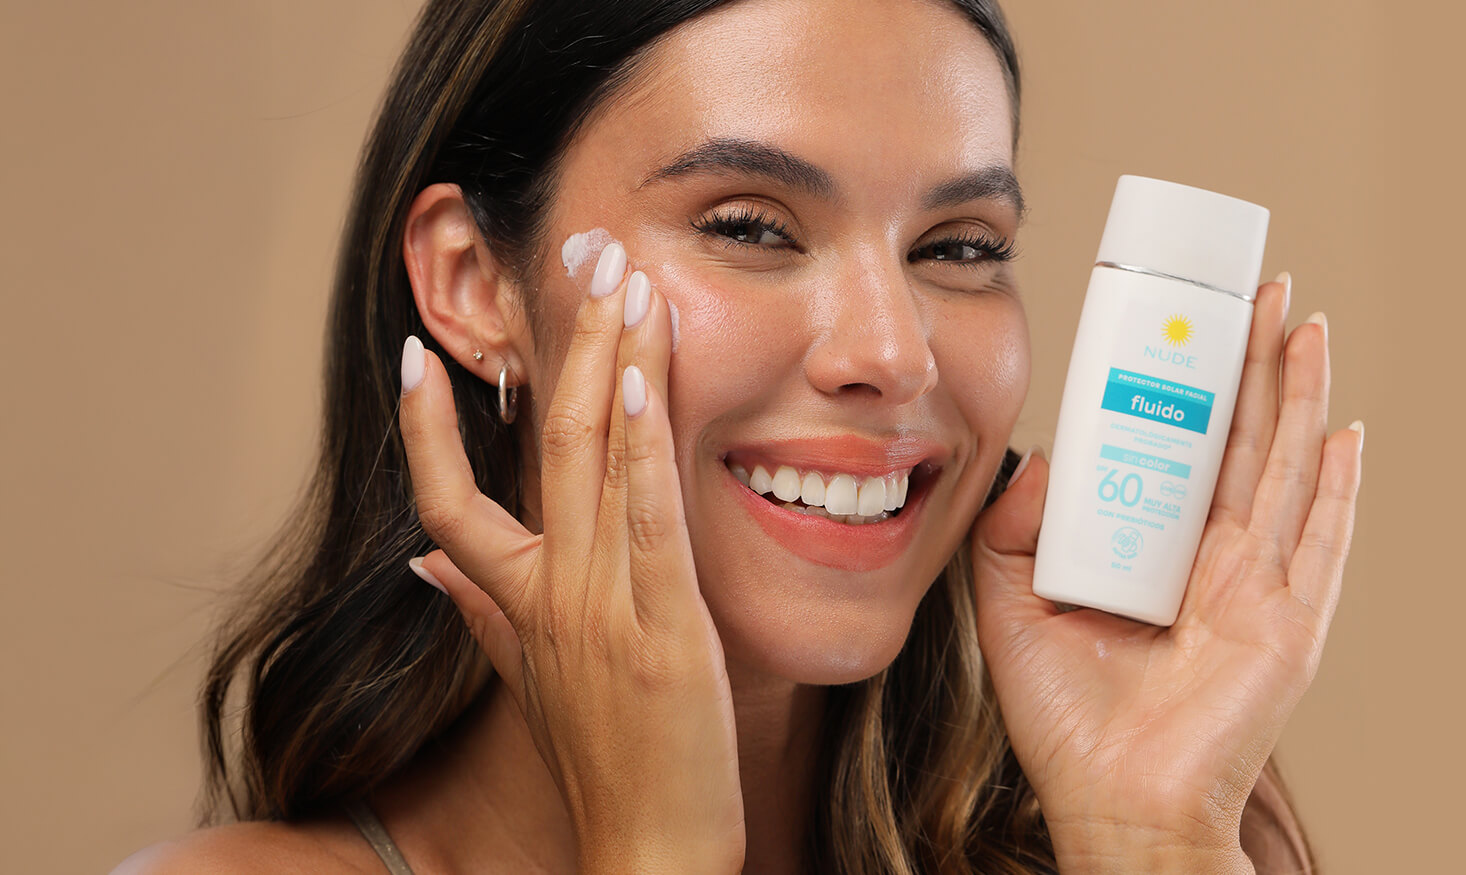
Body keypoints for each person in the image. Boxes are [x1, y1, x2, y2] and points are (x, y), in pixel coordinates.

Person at [115, 0, 1362, 872]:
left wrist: (1147, 840)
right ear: (473, 284)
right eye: (751, 227)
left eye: (958, 246)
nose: (893, 351)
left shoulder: (1162, 838)